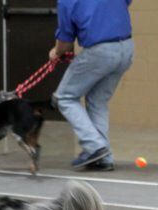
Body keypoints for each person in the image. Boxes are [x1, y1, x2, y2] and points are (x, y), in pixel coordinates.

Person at [50, 0, 134, 171]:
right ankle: (104, 158)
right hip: (126, 48)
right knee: (98, 100)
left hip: (99, 51)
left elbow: (65, 43)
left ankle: (95, 146)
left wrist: (56, 52)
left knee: (64, 98)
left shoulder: (67, 1)